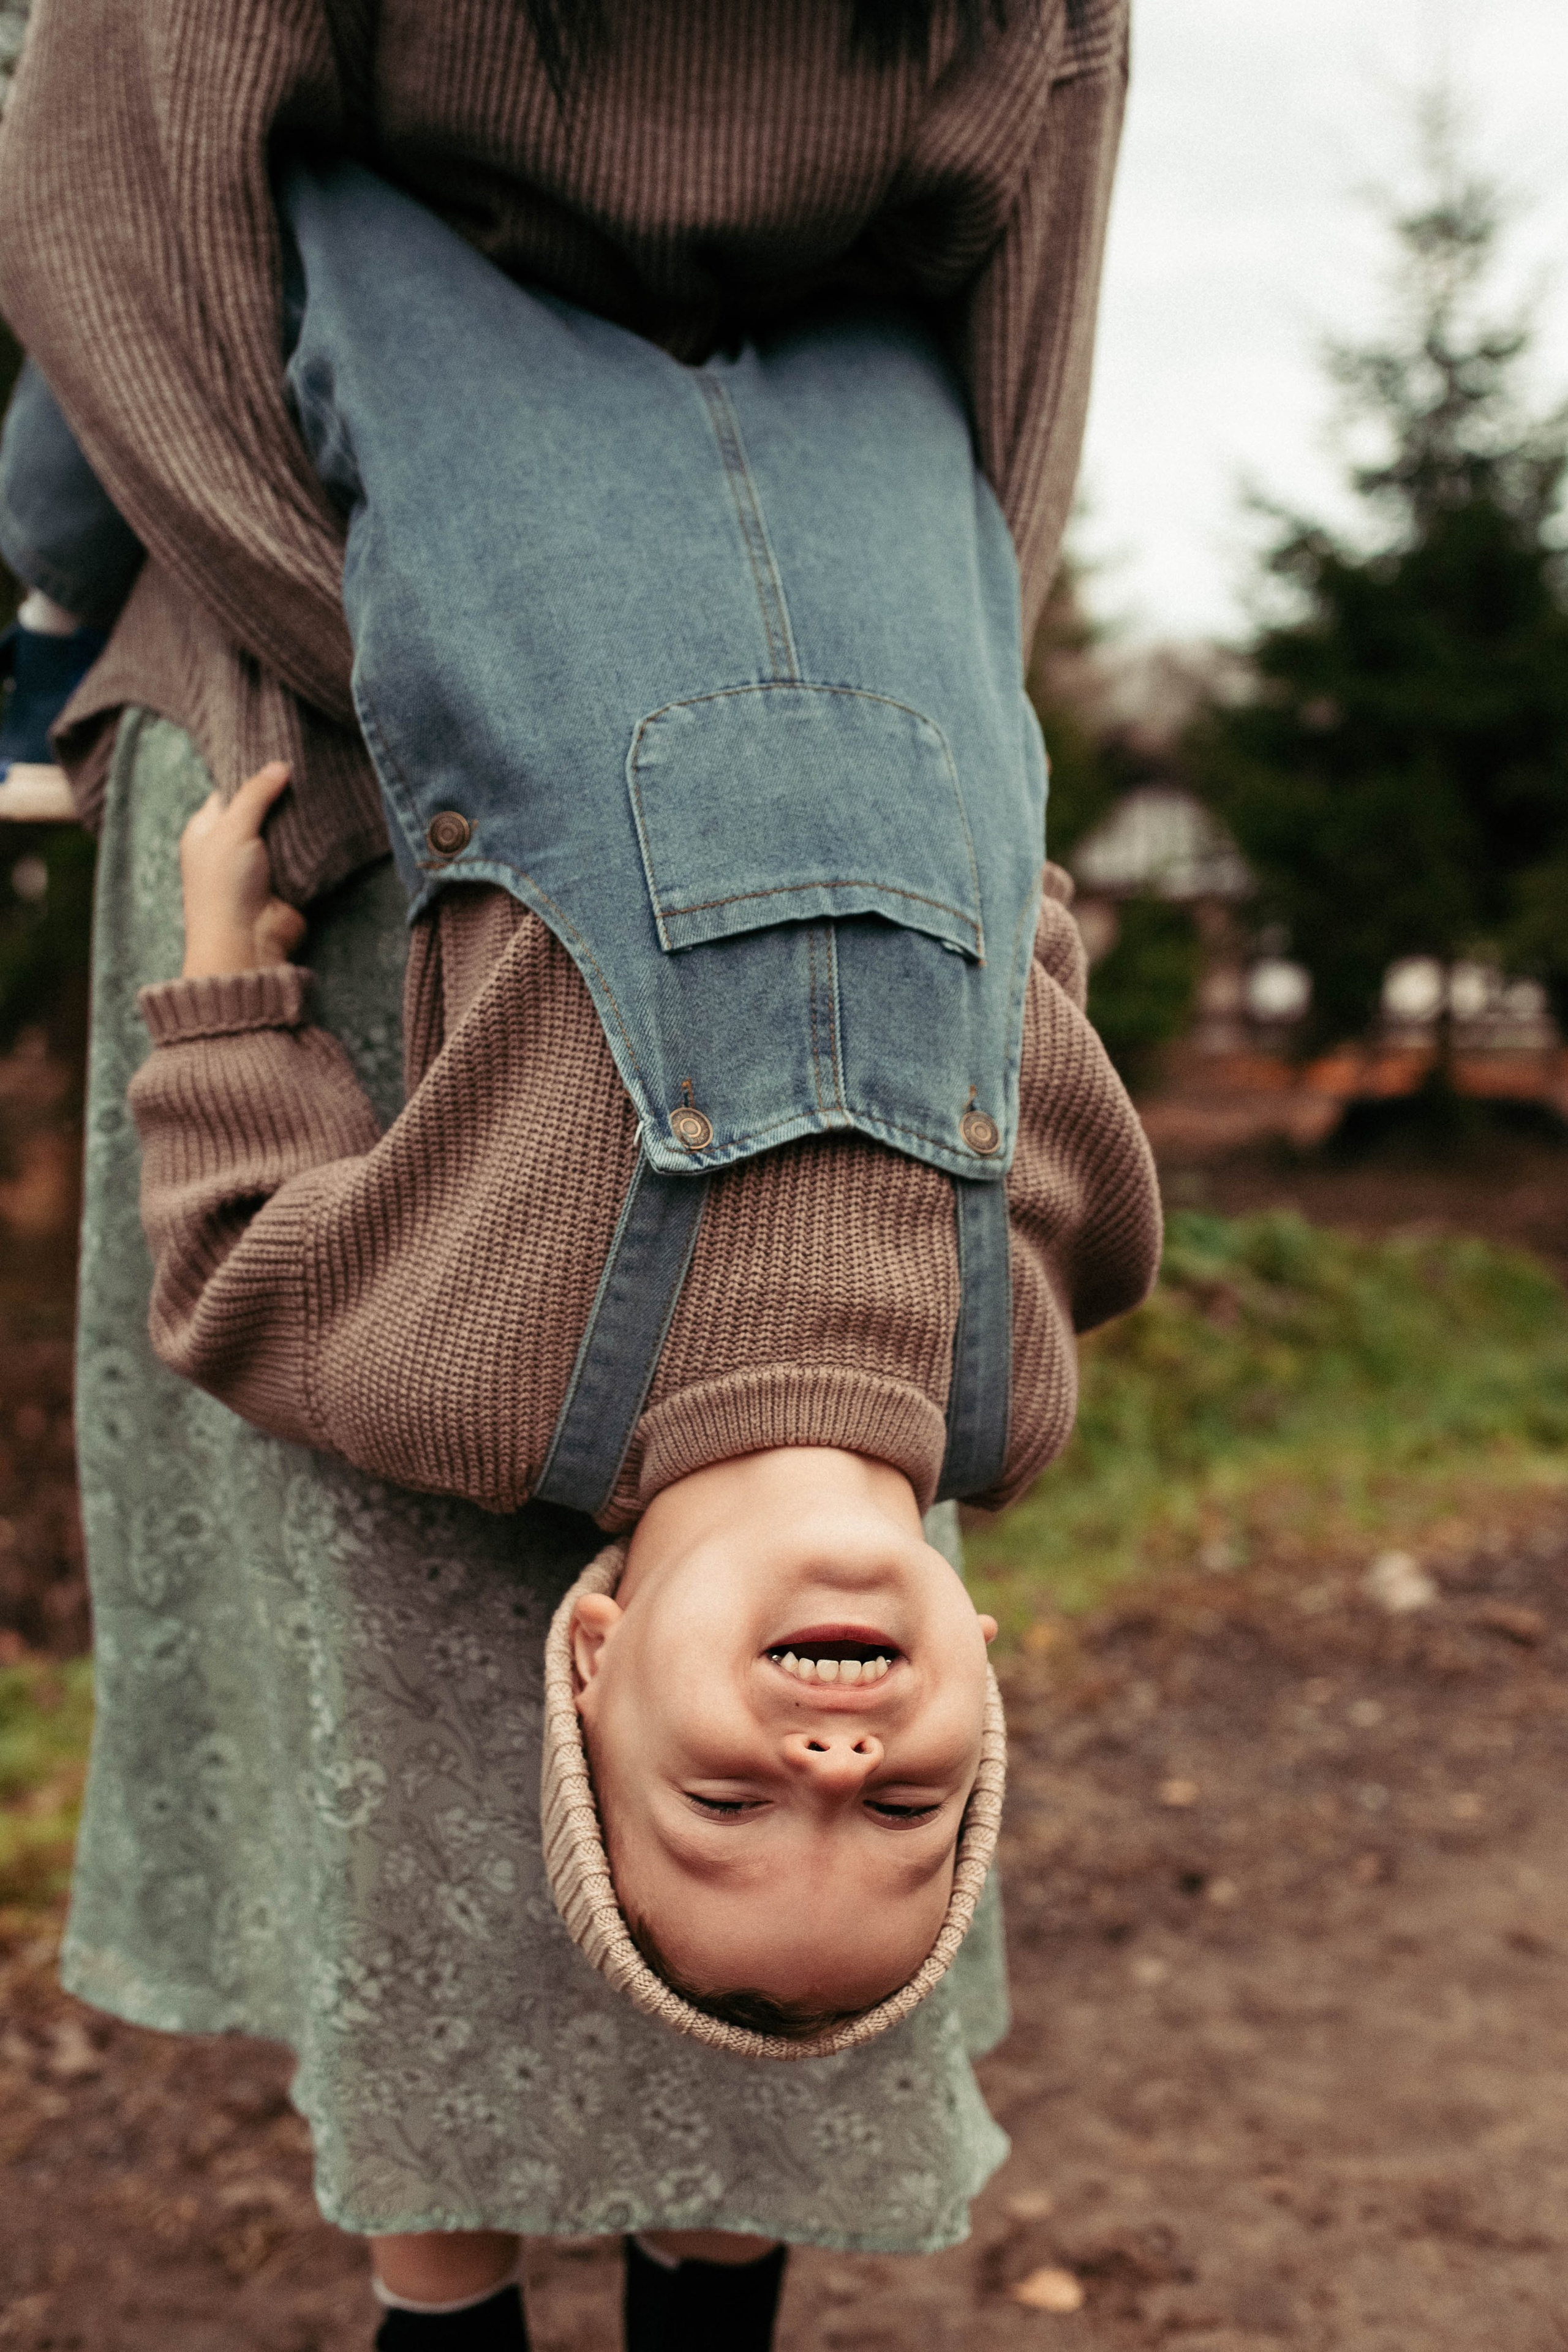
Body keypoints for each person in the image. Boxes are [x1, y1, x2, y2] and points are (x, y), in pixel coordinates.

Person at [0, 4, 1139, 2343]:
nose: (834, 1760)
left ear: (595, 1654)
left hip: (478, 489)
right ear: (983, 1684)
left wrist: (221, 998)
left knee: (230, 314)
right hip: (860, 519)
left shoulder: (495, 1375)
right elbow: (1071, 1125)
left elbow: (242, 1268)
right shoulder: (1003, 1391)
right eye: (903, 1811)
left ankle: (36, 599)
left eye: (730, 1806)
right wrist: (1007, 893)